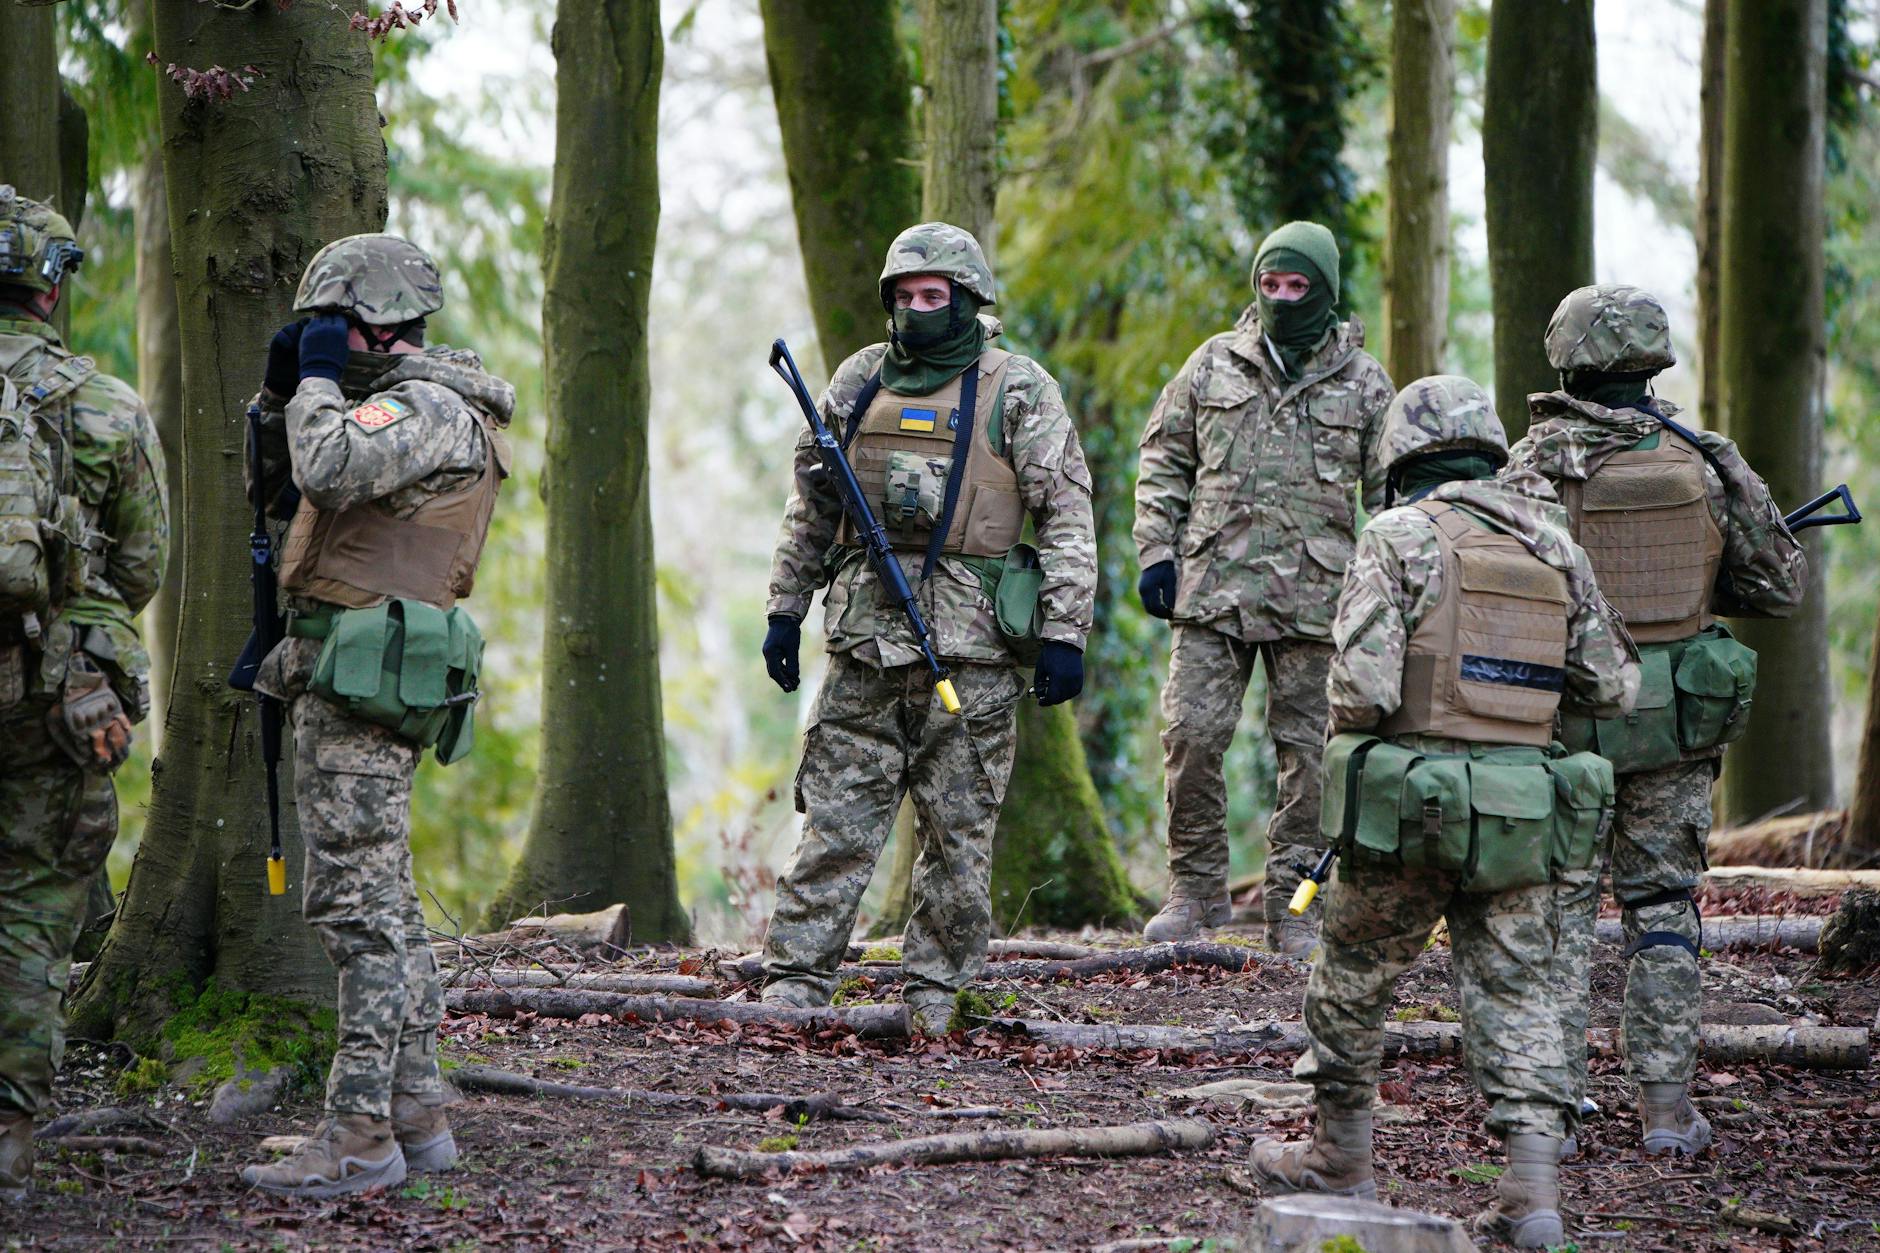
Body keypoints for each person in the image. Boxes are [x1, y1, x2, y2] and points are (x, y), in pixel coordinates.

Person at [1248, 375, 1638, 1248]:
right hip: (1522, 815)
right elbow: (1613, 685)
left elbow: (1361, 688)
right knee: (1522, 992)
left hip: (1410, 809)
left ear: (1401, 459)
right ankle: (1533, 1194)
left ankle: (1340, 1159)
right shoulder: (1555, 546)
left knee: (1352, 972)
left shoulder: (1396, 535)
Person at [758, 222, 1097, 1034]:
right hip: (865, 646)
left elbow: (1066, 512)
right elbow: (813, 507)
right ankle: (795, 981)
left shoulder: (1019, 389)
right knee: (834, 825)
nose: (916, 309)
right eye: (904, 296)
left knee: (958, 837)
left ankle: (937, 994)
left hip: (972, 653)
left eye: (932, 295)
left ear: (968, 300)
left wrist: (1066, 632)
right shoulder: (858, 381)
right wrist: (784, 609)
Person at [238, 234, 514, 1197]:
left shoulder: (426, 408)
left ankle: (357, 1136)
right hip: (346, 671)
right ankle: (417, 1114)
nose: (320, 340)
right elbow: (275, 486)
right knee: (385, 902)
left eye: (332, 325)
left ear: (381, 324)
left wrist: (315, 382)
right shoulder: (389, 406)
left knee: (356, 915)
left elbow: (324, 469)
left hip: (365, 683)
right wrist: (282, 392)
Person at [1507, 284, 1808, 1157]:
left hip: (1563, 723)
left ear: (1566, 359)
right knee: (1665, 910)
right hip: (1673, 724)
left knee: (1554, 913)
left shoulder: (1528, 466)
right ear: (1653, 359)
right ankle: (1668, 1112)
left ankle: (1548, 1117)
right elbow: (1778, 586)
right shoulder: (1705, 461)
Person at [1133, 221, 1393, 953]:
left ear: (1325, 291)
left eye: (1296, 285)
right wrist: (1157, 552)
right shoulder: (1213, 364)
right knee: (1190, 737)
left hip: (1319, 599)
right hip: (1213, 589)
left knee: (1312, 757)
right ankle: (1194, 893)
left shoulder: (1366, 383)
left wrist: (1387, 592)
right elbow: (1164, 458)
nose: (1281, 298)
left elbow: (1392, 497)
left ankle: (1294, 904)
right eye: (1269, 284)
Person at [0, 185, 169, 1201]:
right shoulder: (103, 404)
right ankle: (7, 1133)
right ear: (51, 287)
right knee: (33, 901)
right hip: (57, 696)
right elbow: (143, 563)